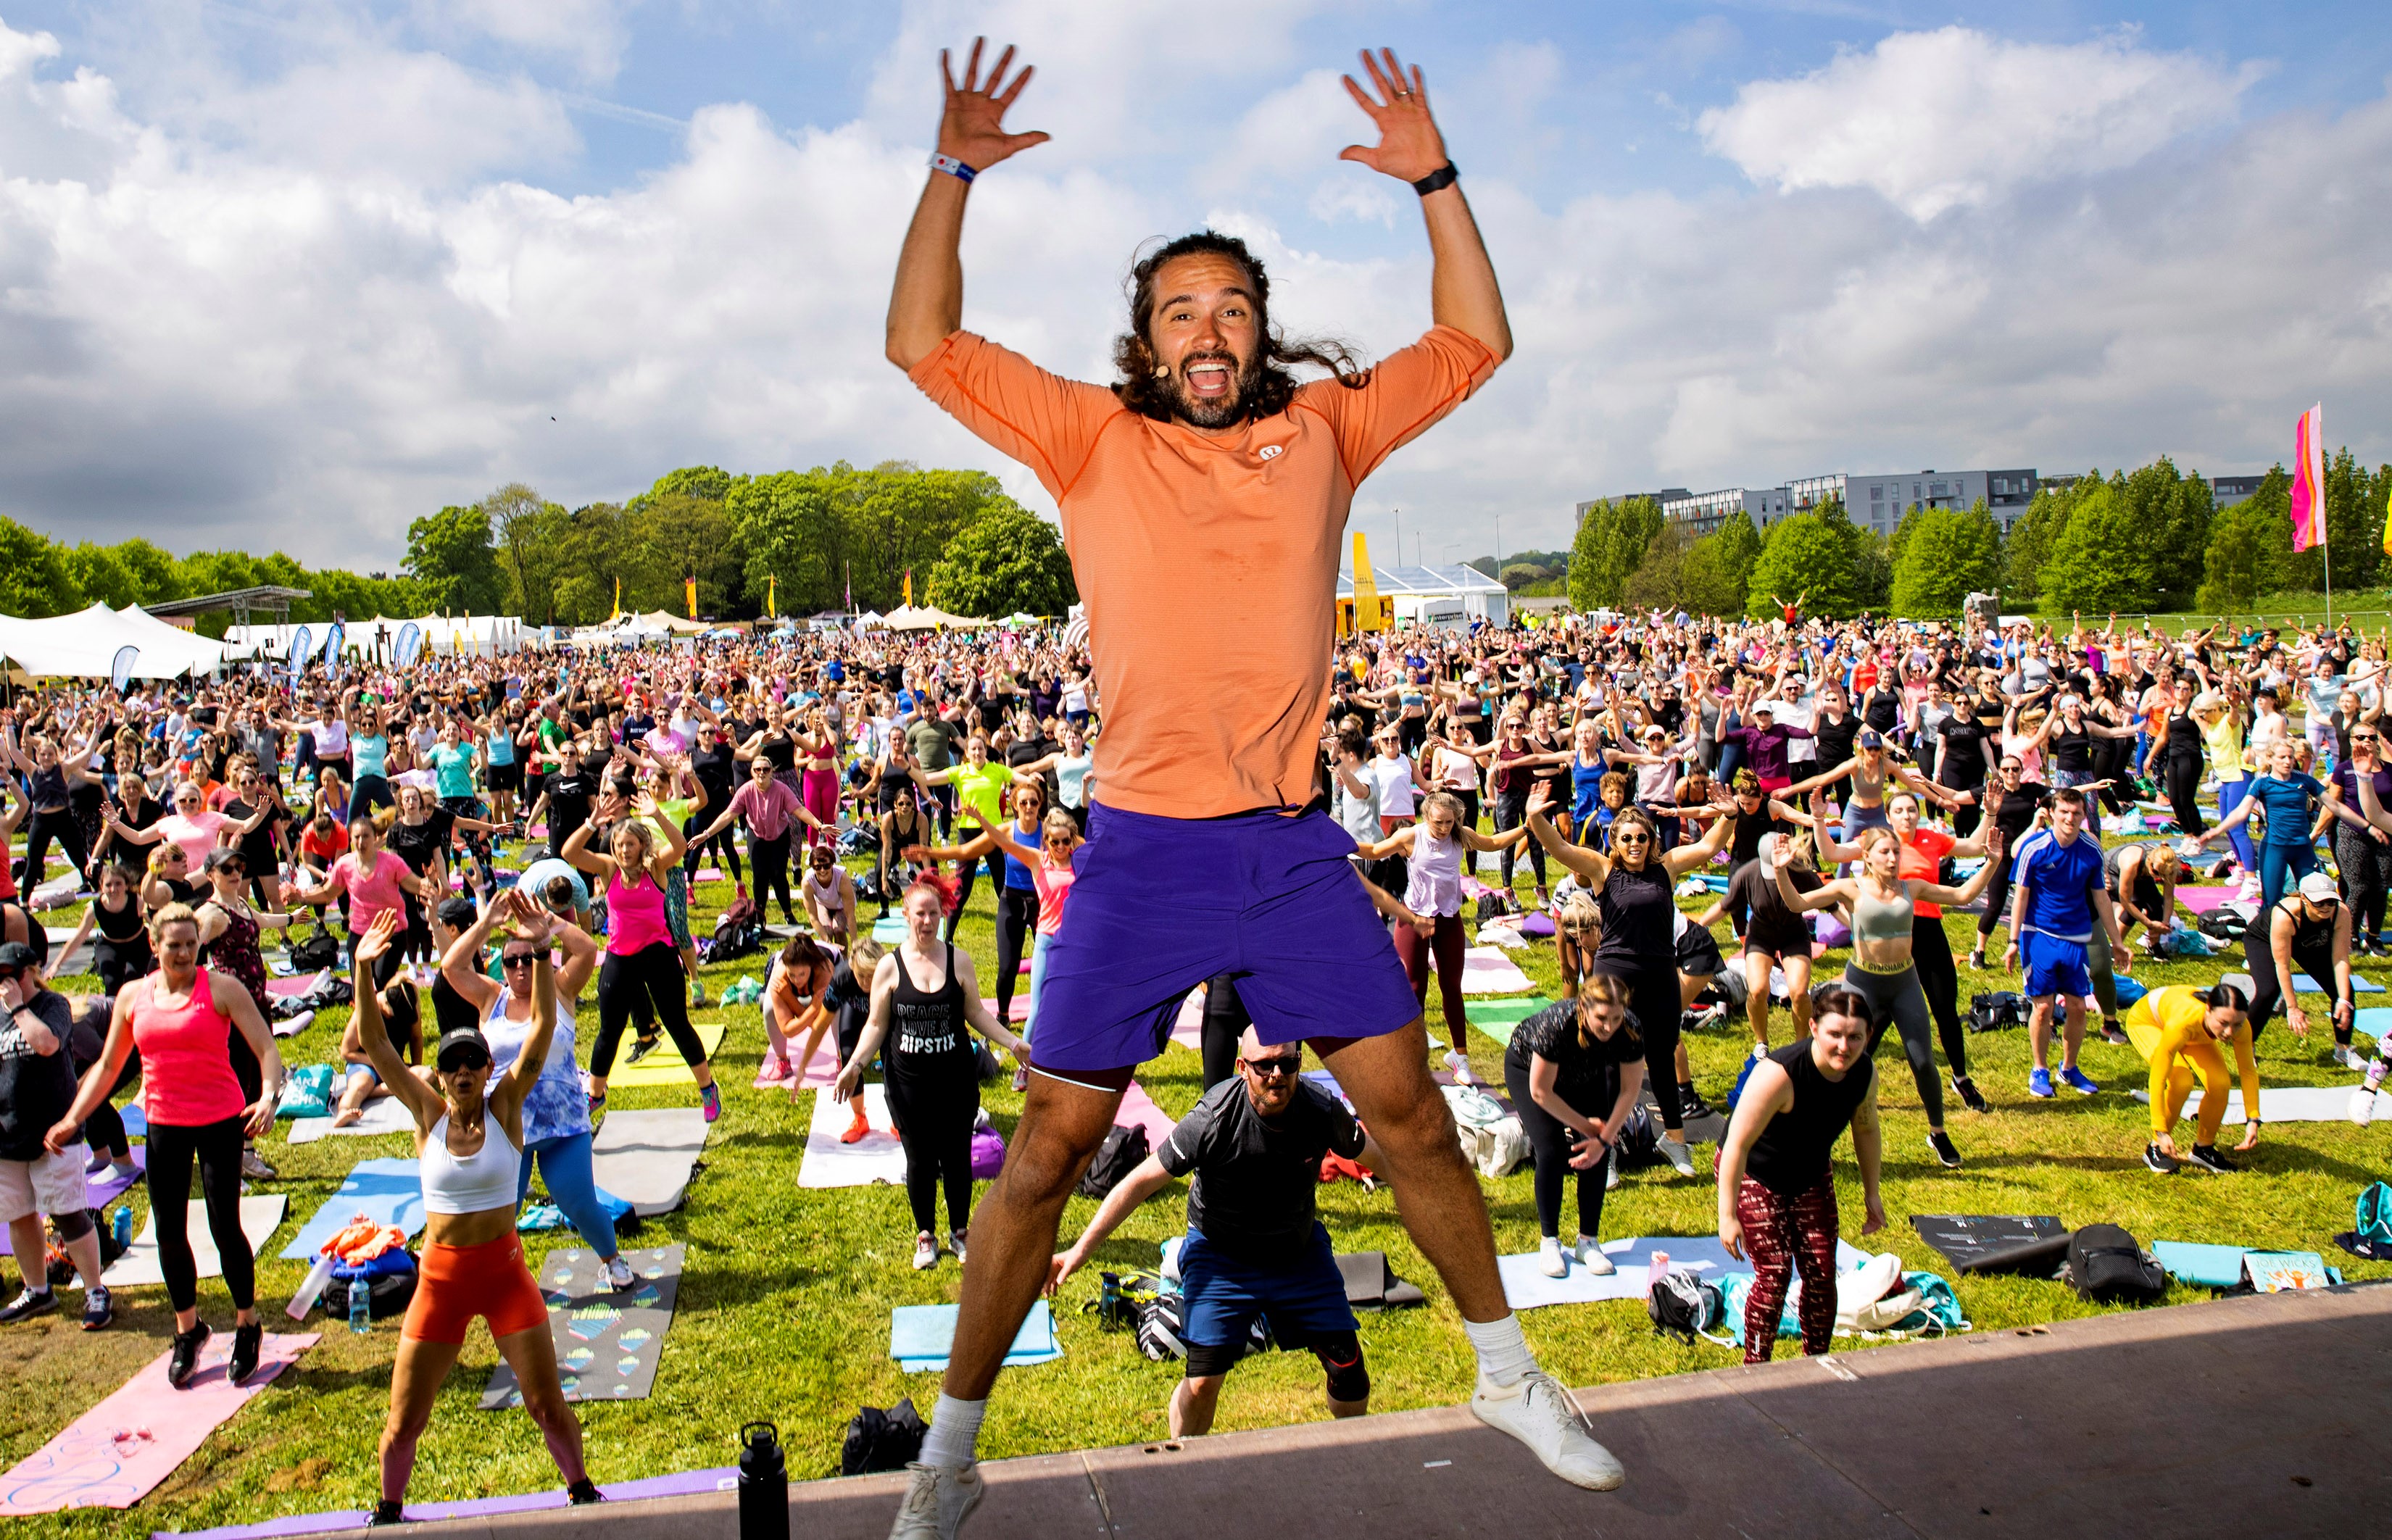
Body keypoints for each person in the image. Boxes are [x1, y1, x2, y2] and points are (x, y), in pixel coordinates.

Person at [879, 44, 1621, 1533]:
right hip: (1144, 853)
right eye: (1179, 312)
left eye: (1232, 309)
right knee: (1046, 1150)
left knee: (1409, 1112)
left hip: (1289, 851)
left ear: (1262, 332)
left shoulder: (1330, 427)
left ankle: (1503, 1372)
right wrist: (951, 169)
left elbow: (1478, 336)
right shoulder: (1092, 434)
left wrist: (1434, 173)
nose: (1207, 332)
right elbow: (920, 340)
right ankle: (951, 1455)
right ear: (1144, 341)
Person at [344, 910, 602, 1526]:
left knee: (546, 1403)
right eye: (452, 1064)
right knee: (405, 1419)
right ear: (438, 1073)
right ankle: (388, 1509)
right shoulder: (428, 1113)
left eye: (473, 1064)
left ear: (488, 1071)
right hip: (440, 1283)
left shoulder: (507, 1106)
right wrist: (360, 968)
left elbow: (541, 1031)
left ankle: (584, 1491)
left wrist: (540, 952)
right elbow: (377, 1046)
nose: (463, 1073)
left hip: (506, 1275)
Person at [1047, 1027, 1381, 1436]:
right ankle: (1182, 1464)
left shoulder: (1320, 1109)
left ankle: (1353, 1453)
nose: (1276, 1074)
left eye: (1287, 1063)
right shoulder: (1214, 1119)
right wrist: (1078, 1251)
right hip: (1221, 1254)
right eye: (1264, 1066)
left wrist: (1425, 1182)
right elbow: (1139, 1183)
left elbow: (1376, 1154)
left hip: (1296, 1251)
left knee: (1349, 1369)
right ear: (1242, 1068)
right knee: (1204, 1380)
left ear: (1299, 1063)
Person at [50, 902, 283, 1388]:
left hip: (220, 1119)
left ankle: (247, 1322)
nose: (182, 952)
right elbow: (109, 1066)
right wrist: (73, 1117)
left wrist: (267, 1098)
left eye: (190, 943)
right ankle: (188, 1329)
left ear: (200, 945)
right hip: (164, 1124)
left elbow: (266, 1049)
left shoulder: (221, 988)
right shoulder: (135, 996)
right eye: (173, 944)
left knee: (225, 1226)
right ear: (154, 945)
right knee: (169, 1232)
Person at [1523, 777, 1735, 1175]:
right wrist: (1536, 818)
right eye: (1627, 839)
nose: (1635, 844)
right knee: (1604, 1060)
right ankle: (1607, 1151)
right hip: (1613, 976)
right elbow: (1561, 848)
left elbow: (1710, 846)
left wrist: (1729, 816)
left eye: (1642, 837)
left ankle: (1675, 1140)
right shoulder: (1603, 871)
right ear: (1615, 842)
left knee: (1661, 1055)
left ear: (1651, 841)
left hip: (1659, 975)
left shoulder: (1666, 869)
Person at [1773, 823, 2001, 1168]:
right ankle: (1816, 1133)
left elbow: (1963, 896)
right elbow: (1797, 904)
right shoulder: (1850, 887)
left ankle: (1938, 1132)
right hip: (1863, 984)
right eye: (1885, 852)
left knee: (1923, 1061)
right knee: (1840, 1061)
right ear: (1867, 857)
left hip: (1903, 983)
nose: (1893, 858)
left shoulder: (1912, 888)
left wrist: (1992, 863)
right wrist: (1779, 871)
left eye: (1896, 852)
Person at [834, 881, 1025, 1272]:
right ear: (905, 915)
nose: (927, 921)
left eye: (933, 914)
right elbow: (875, 1025)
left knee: (957, 1159)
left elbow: (976, 1014)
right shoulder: (890, 967)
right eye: (919, 913)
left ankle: (960, 1232)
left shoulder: (959, 960)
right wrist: (853, 1066)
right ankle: (925, 1235)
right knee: (919, 1161)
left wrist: (1011, 1042)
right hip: (908, 1085)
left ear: (943, 915)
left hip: (955, 1081)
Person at [1715, 986, 1885, 1363]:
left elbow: (1867, 1128)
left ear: (1868, 1036)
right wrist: (1728, 1215)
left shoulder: (1864, 1073)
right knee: (1775, 1273)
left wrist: (1872, 1193)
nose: (1844, 1046)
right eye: (1834, 1035)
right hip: (1754, 1173)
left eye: (1855, 1037)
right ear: (1813, 1027)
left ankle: (1818, 1365)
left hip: (1809, 1172)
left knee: (1823, 1273)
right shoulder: (1779, 1074)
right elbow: (1736, 1147)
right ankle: (1756, 1367)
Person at [562, 791, 721, 1122]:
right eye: (619, 845)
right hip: (621, 958)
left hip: (659, 956)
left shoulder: (656, 868)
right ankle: (595, 1094)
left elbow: (679, 845)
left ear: (641, 846)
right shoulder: (608, 870)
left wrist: (659, 815)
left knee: (677, 1024)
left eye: (630, 845)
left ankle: (707, 1088)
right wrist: (593, 822)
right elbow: (570, 852)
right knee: (610, 1030)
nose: (624, 850)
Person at [1352, 791, 1530, 1080]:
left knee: (1451, 988)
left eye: (1449, 822)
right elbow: (1373, 851)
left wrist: (1527, 827)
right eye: (1439, 822)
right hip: (1413, 918)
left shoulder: (1461, 835)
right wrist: (1335, 843)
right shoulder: (1411, 836)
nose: (1445, 828)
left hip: (1448, 919)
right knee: (1414, 988)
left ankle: (1460, 1057)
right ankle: (1413, 1058)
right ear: (1426, 817)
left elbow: (1494, 842)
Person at [0, 944, 110, 1328]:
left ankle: (95, 1289)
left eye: (11, 974)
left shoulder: (53, 1006)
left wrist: (17, 1009)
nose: (4, 983)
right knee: (18, 1213)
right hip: (8, 1133)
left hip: (53, 1131)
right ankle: (38, 1289)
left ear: (29, 973)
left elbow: (46, 1045)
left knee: (66, 1211)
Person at [1505, 975, 1644, 1278]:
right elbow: (1541, 1091)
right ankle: (1549, 1241)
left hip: (1583, 1074)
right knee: (1552, 1150)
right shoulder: (1557, 1025)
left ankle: (1588, 1242)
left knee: (1598, 1153)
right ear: (1584, 1009)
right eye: (1602, 1018)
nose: (1609, 1027)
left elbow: (1630, 1091)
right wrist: (1587, 1126)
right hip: (1529, 1071)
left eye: (1616, 1018)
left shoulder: (1630, 1029)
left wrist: (1603, 1140)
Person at [2002, 788, 2127, 1099]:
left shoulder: (2091, 849)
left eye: (2076, 813)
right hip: (2039, 933)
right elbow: (2021, 895)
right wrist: (2013, 940)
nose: (2070, 819)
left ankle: (2069, 1068)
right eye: (2064, 813)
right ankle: (2039, 1069)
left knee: (2078, 1008)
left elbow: (2100, 897)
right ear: (2052, 814)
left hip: (2077, 936)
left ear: (2084, 815)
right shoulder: (2035, 848)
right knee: (2043, 1008)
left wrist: (2117, 941)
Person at [2127, 982, 2256, 1175]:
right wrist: (2160, 1131)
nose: (2230, 1032)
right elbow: (2158, 1077)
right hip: (2148, 1023)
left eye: (2236, 1024)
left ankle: (2203, 1149)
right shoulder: (2184, 1020)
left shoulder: (2241, 1027)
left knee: (2220, 1084)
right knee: (2181, 1081)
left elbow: (2247, 1071)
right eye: (2223, 1023)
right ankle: (2155, 1148)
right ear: (2208, 1010)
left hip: (2191, 1032)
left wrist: (2253, 1118)